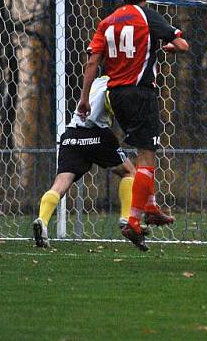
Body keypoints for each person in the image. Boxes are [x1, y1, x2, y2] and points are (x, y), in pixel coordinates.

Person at [78, 0, 189, 251]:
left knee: (142, 153)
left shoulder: (107, 21)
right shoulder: (146, 15)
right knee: (147, 157)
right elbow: (182, 45)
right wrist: (168, 48)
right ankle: (135, 220)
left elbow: (93, 62)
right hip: (140, 93)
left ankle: (151, 207)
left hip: (114, 95)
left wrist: (83, 98)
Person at [33, 75, 136, 248]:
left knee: (60, 184)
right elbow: (112, 101)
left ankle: (42, 220)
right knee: (129, 172)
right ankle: (126, 218)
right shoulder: (117, 81)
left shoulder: (97, 81)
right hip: (97, 134)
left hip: (71, 136)